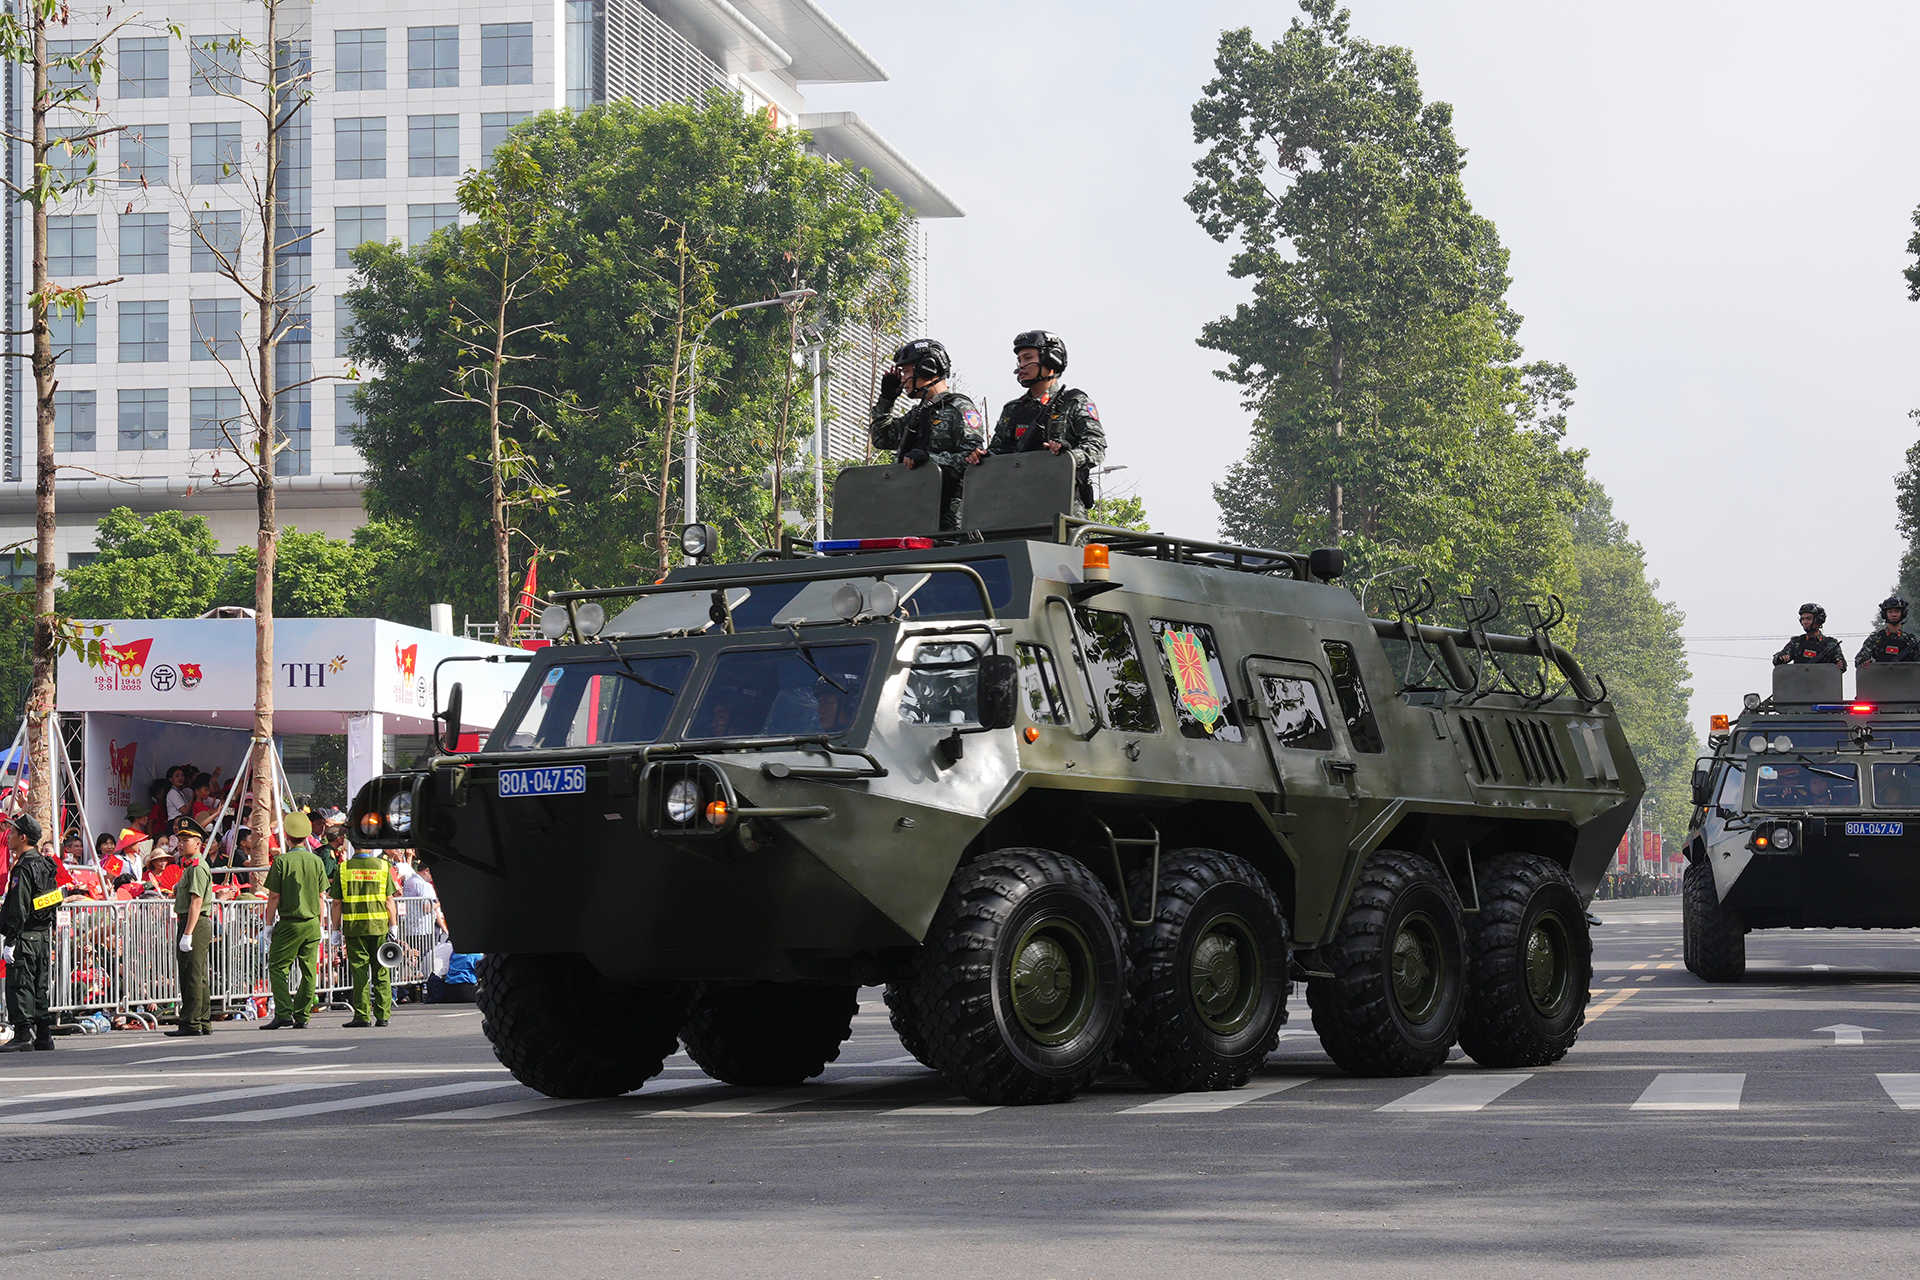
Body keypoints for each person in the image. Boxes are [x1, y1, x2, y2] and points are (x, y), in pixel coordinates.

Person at [968, 329, 1108, 518]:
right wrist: (982, 457)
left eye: (1027, 358)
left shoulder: (1074, 402)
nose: (1021, 366)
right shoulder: (1013, 409)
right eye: (1019, 360)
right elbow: (998, 453)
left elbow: (1096, 447)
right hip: (1014, 504)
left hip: (1062, 503)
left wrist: (1068, 456)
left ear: (1051, 360)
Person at [868, 338, 984, 531]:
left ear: (927, 369)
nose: (902, 379)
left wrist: (930, 460)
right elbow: (881, 437)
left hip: (947, 520)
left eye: (906, 371)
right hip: (912, 511)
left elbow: (973, 462)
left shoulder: (959, 409)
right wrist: (886, 401)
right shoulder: (918, 414)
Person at [259, 817, 328, 1031]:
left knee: (278, 967)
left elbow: (273, 897)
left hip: (290, 923)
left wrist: (268, 924)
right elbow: (321, 896)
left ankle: (283, 1012)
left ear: (287, 837)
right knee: (309, 972)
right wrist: (321, 924)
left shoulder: (281, 861)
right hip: (311, 923)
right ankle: (302, 1015)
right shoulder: (316, 861)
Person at [0, 814, 59, 1051]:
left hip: (25, 935)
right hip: (41, 935)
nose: (9, 836)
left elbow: (19, 907)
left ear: (23, 837)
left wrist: (11, 939)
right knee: (39, 984)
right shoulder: (45, 864)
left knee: (20, 984)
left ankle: (23, 1034)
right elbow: (53, 899)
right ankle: (43, 1035)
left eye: (13, 833)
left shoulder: (23, 867)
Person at [330, 842, 397, 1029]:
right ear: (369, 847)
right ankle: (383, 1015)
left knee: (359, 973)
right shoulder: (384, 866)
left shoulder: (343, 868)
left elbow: (336, 903)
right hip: (379, 927)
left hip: (354, 928)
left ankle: (362, 1015)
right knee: (381, 971)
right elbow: (389, 900)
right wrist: (394, 926)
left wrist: (335, 930)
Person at [168, 817, 214, 1037]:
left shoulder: (196, 867)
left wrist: (187, 933)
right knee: (198, 974)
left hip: (194, 922)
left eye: (187, 839)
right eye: (180, 839)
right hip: (194, 922)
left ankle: (190, 1022)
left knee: (191, 974)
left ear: (198, 844)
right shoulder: (190, 866)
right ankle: (203, 1020)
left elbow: (196, 901)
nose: (181, 842)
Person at [1774, 603, 1847, 670]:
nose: (1804, 622)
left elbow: (1842, 665)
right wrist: (1782, 658)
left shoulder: (1831, 644)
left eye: (1808, 619)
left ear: (1818, 620)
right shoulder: (1797, 642)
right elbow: (1776, 660)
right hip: (1799, 682)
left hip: (1823, 683)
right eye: (1803, 619)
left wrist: (1840, 664)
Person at [1858, 596, 1919, 667]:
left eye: (1897, 611)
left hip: (1905, 677)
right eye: (1890, 612)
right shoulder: (1875, 639)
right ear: (1885, 614)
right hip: (1881, 677)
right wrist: (1866, 661)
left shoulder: (1911, 641)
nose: (1893, 614)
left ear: (1903, 613)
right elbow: (1859, 659)